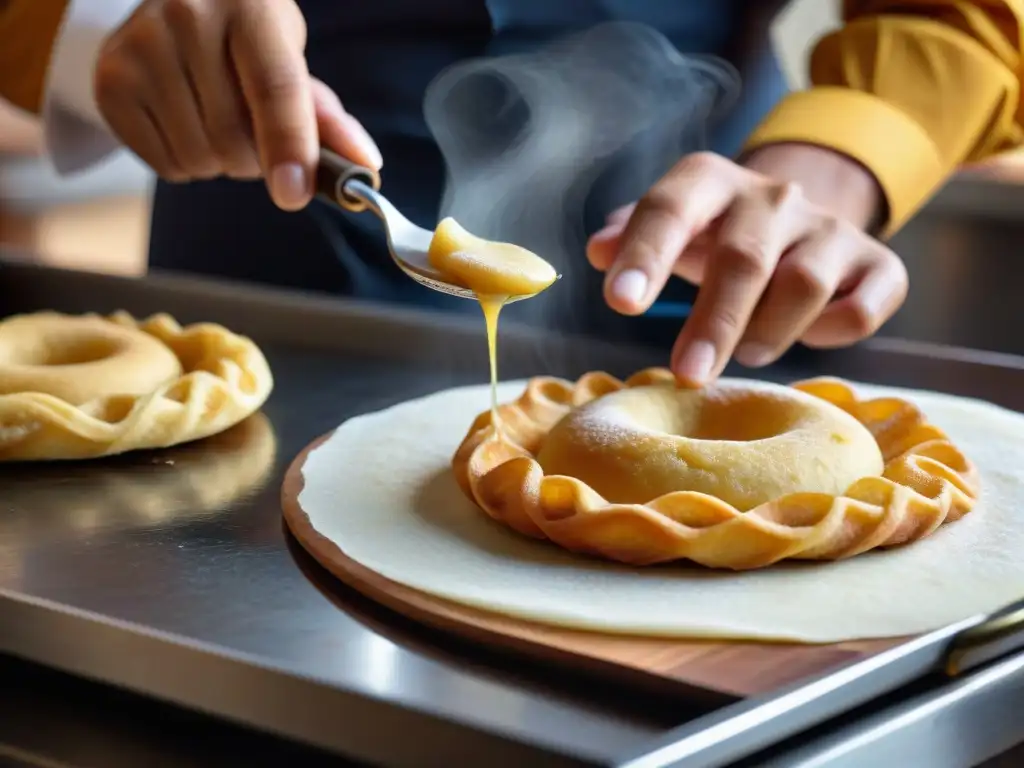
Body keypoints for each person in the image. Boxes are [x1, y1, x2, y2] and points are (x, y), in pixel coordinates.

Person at [1, 1, 1022, 386]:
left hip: (717, 291)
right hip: (274, 314)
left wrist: (823, 176)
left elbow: (958, 16)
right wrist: (94, 25)